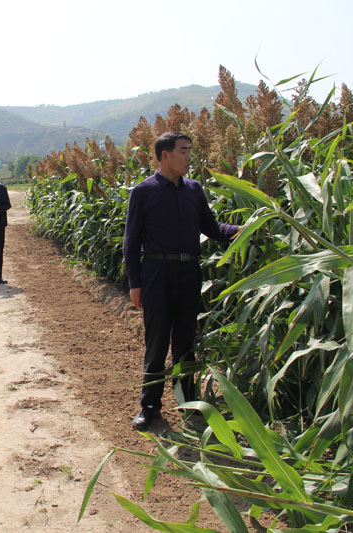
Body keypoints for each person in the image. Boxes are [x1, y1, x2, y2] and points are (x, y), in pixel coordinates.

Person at [124, 132, 241, 431]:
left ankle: (190, 407)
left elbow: (212, 228)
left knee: (185, 345)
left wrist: (243, 228)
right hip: (156, 273)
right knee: (157, 343)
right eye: (184, 150)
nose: (190, 156)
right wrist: (134, 284)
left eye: (190, 150)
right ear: (165, 155)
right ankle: (149, 407)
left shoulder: (194, 189)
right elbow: (131, 241)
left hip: (189, 272)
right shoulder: (144, 191)